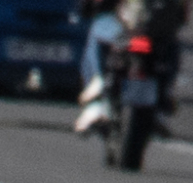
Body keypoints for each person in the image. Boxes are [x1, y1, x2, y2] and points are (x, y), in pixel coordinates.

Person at [79, 0, 186, 131]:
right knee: (171, 47)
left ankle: (98, 86)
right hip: (154, 36)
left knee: (98, 28)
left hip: (130, 32)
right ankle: (163, 97)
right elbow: (182, 13)